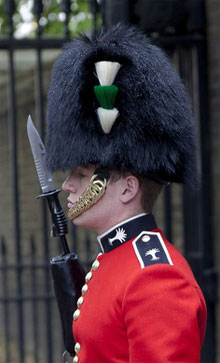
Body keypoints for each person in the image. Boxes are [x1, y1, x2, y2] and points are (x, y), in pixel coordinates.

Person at [46, 24, 207, 362]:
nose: (68, 185)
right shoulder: (115, 259)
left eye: (82, 174)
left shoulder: (155, 278)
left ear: (127, 188)